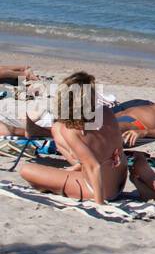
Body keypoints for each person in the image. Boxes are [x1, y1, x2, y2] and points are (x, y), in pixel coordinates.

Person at [18, 72, 133, 205]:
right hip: (118, 181)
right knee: (56, 127)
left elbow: (94, 166)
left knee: (26, 170)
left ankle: (62, 184)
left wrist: (100, 204)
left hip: (99, 189)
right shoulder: (105, 112)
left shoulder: (71, 131)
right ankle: (74, 170)